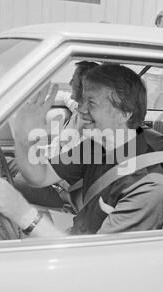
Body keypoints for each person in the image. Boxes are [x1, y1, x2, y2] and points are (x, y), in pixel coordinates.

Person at [0, 64, 163, 237]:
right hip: (74, 236)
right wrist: (22, 139)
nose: (81, 110)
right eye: (83, 101)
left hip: (81, 262)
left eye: (92, 104)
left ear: (124, 113)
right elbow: (40, 176)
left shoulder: (148, 187)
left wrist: (23, 214)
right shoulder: (96, 146)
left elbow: (95, 262)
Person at [12, 61, 99, 208]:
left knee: (9, 183)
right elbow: (65, 96)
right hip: (45, 162)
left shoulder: (94, 135)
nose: (70, 83)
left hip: (55, 185)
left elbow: (70, 180)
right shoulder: (78, 108)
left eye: (74, 80)